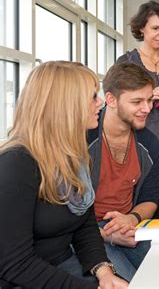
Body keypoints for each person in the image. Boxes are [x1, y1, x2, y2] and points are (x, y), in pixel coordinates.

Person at [0, 61, 127, 288]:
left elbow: (84, 225)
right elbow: (14, 263)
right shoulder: (16, 164)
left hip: (63, 267)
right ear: (66, 106)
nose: (99, 103)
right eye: (92, 97)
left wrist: (104, 271)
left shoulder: (73, 157)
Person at [87, 62, 159, 282]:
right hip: (88, 232)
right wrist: (108, 235)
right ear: (110, 100)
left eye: (149, 100)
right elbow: (63, 217)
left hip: (128, 226)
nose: (147, 108)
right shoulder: (84, 137)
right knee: (130, 283)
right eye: (137, 102)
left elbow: (150, 199)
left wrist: (131, 218)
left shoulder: (149, 141)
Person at [116, 1, 159, 217]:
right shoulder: (127, 62)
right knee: (146, 203)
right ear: (141, 28)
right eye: (155, 28)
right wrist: (148, 95)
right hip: (141, 143)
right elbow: (116, 103)